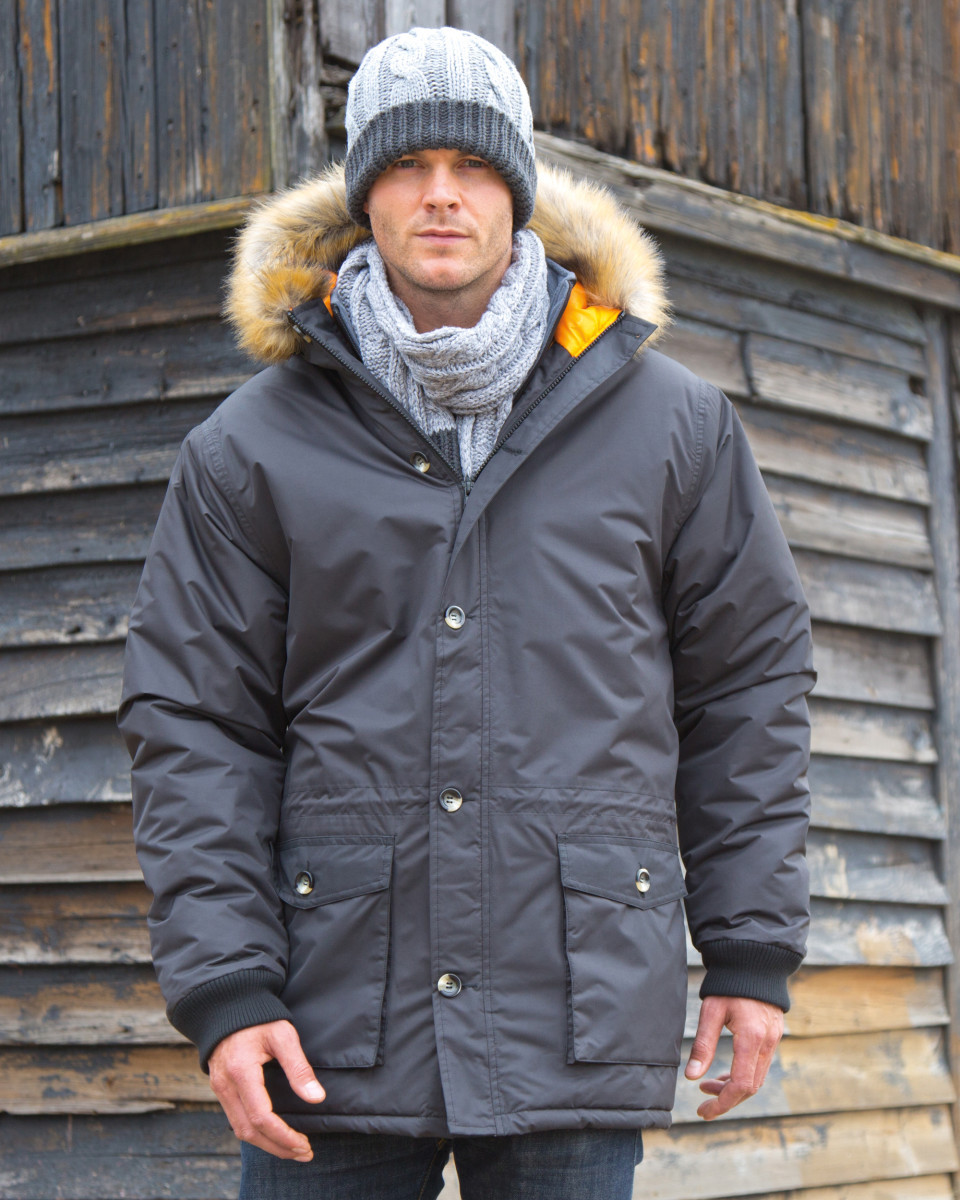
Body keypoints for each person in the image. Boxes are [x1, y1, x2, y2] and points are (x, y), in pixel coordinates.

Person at [118, 25, 815, 1200]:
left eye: (474, 165)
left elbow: (746, 689)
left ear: (519, 191)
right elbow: (196, 721)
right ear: (363, 195)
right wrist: (226, 988)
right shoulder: (250, 447)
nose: (441, 195)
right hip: (329, 1019)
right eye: (406, 165)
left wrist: (752, 949)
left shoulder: (675, 428)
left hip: (576, 1002)